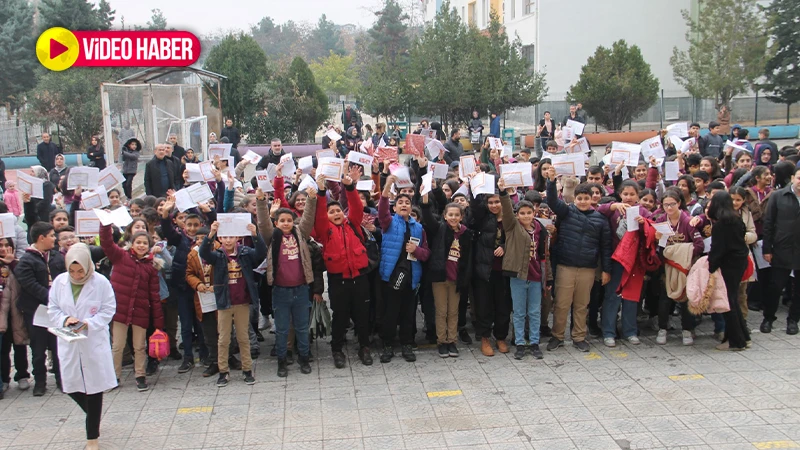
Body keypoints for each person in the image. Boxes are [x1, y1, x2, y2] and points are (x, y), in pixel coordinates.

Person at [47, 244, 116, 450]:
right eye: (72, 271)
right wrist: (66, 319)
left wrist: (89, 323)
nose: (76, 275)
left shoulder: (100, 282)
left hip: (92, 340)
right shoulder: (59, 282)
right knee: (69, 385)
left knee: (94, 388)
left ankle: (92, 438)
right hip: (69, 342)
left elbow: (108, 309)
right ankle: (92, 416)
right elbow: (53, 309)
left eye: (81, 271)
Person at [544, 168, 612, 352]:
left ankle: (579, 336)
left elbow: (606, 247)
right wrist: (551, 182)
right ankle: (557, 336)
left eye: (586, 198)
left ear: (592, 199)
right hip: (566, 266)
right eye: (579, 198)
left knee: (582, 305)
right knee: (561, 304)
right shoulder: (566, 212)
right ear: (574, 199)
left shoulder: (601, 220)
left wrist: (606, 270)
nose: (582, 201)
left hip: (588, 268)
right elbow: (551, 201)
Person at [313, 166, 373, 368]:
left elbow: (356, 207)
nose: (336, 213)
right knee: (340, 315)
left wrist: (350, 187)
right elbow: (319, 214)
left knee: (362, 314)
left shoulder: (353, 224)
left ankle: (364, 346)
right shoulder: (324, 230)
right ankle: (337, 349)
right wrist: (321, 193)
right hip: (339, 280)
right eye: (332, 212)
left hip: (360, 277)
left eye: (338, 210)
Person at [259, 184, 317, 377]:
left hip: (300, 290)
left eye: (289, 220)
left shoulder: (301, 234)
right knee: (282, 330)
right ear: (276, 223)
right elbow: (263, 224)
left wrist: (311, 199)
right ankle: (282, 360)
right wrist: (261, 203)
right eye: (281, 220)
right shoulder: (273, 237)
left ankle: (304, 357)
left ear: (294, 222)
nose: (285, 223)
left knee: (302, 327)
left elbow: (308, 218)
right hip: (280, 291)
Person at [199, 219, 266, 387]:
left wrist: (255, 234)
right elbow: (204, 253)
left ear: (237, 237)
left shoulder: (244, 252)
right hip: (224, 303)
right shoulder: (218, 255)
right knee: (223, 339)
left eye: (231, 236)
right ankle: (223, 371)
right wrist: (211, 234)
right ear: (220, 239)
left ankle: (247, 369)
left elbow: (261, 253)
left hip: (242, 302)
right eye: (224, 237)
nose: (228, 240)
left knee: (243, 337)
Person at [99, 222, 164, 391]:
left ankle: (140, 375)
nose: (141, 246)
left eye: (145, 243)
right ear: (132, 244)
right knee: (117, 346)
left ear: (149, 246)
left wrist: (158, 324)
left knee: (139, 346)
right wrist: (105, 225)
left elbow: (154, 295)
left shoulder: (151, 266)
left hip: (141, 312)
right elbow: (106, 243)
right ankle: (114, 376)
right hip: (120, 310)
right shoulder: (121, 256)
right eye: (138, 242)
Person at [377, 175, 430, 363]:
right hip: (390, 277)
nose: (404, 205)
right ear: (395, 207)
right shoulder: (388, 223)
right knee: (390, 313)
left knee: (409, 314)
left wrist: (417, 251)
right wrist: (388, 186)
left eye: (407, 202)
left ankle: (407, 344)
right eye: (400, 202)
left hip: (411, 277)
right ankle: (388, 345)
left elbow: (426, 253)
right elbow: (382, 209)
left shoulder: (419, 228)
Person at [497, 178, 547, 360]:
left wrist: (546, 278)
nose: (526, 216)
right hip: (518, 276)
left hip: (535, 276)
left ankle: (534, 342)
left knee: (534, 312)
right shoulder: (512, 227)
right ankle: (519, 342)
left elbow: (543, 255)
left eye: (529, 213)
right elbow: (508, 210)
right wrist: (503, 192)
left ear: (534, 213)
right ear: (518, 215)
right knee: (518, 312)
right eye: (522, 213)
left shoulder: (540, 229)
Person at [14, 222, 65, 396]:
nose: (54, 238)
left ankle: (61, 379)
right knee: (38, 349)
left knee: (58, 346)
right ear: (41, 238)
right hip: (36, 311)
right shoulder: (27, 260)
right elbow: (29, 284)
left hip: (56, 311)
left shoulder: (57, 256)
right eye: (51, 235)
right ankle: (40, 382)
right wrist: (51, 297)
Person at [421, 190, 473, 359]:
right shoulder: (440, 229)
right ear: (444, 216)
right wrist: (425, 200)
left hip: (456, 279)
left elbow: (467, 258)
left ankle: (452, 341)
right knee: (441, 311)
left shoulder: (466, 233)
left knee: (454, 311)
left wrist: (465, 277)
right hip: (440, 277)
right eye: (450, 214)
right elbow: (428, 217)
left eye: (456, 215)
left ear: (461, 216)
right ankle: (441, 341)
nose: (453, 217)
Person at [705, 192, 751, 350]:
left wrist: (710, 267)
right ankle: (743, 336)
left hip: (728, 265)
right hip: (739, 262)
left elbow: (718, 249)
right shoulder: (737, 219)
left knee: (728, 301)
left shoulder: (720, 225)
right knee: (732, 299)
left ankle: (736, 341)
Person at [761, 166, 800, 335]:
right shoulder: (778, 196)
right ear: (793, 178)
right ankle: (768, 318)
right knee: (776, 286)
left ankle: (793, 320)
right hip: (781, 248)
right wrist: (767, 248)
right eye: (799, 178)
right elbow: (768, 224)